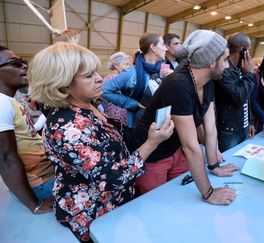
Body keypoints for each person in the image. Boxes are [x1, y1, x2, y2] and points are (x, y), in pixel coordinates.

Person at [29, 42, 174, 242]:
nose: (99, 78)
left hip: (113, 206)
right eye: (89, 75)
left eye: (96, 71)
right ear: (63, 85)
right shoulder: (68, 129)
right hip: (93, 214)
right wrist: (152, 143)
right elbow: (110, 178)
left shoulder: (87, 105)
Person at [133, 30, 239, 204]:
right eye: (225, 60)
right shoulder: (178, 85)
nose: (227, 66)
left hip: (176, 151)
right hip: (154, 156)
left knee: (181, 201)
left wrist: (214, 166)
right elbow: (190, 146)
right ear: (211, 62)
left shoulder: (208, 82)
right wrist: (208, 193)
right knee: (157, 206)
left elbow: (210, 129)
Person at [0, 45, 55, 214]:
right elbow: (6, 159)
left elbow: (28, 135)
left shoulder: (10, 100)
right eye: (14, 63)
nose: (24, 66)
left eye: (22, 62)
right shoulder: (1, 104)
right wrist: (34, 205)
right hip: (41, 183)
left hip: (45, 175)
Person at [102, 33, 172, 151]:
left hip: (161, 124)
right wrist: (131, 103)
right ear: (153, 48)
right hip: (139, 127)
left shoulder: (164, 69)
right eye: (162, 44)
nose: (166, 48)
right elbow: (104, 90)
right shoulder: (131, 73)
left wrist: (173, 78)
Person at [214, 32, 255, 152]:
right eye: (249, 50)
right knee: (229, 165)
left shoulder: (241, 68)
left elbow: (247, 98)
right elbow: (238, 97)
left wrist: (250, 122)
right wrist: (249, 74)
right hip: (229, 131)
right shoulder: (225, 70)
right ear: (243, 50)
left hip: (244, 127)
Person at [101, 51, 131, 126]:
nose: (129, 67)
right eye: (126, 64)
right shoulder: (112, 79)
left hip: (121, 117)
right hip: (116, 118)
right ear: (116, 65)